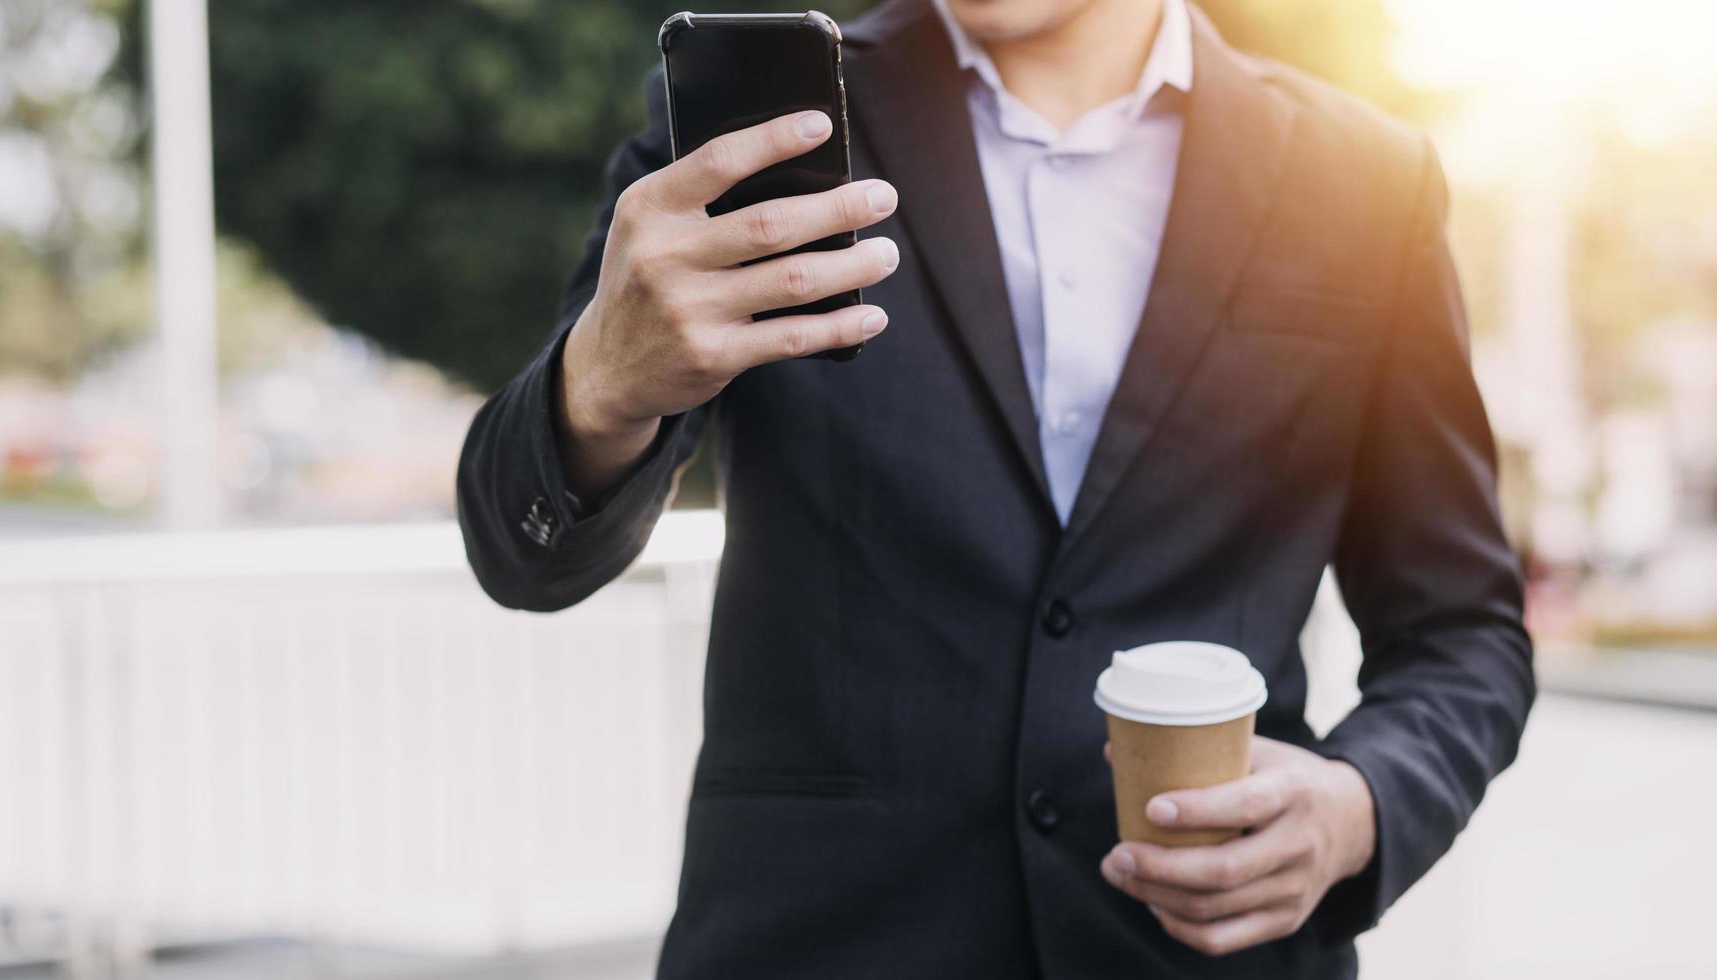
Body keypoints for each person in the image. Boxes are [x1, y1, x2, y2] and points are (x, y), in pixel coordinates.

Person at [455, 0, 1535, 975]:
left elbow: (1461, 628)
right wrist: (597, 387)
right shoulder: (760, 132)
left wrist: (1361, 804)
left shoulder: (1364, 181)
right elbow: (524, 551)